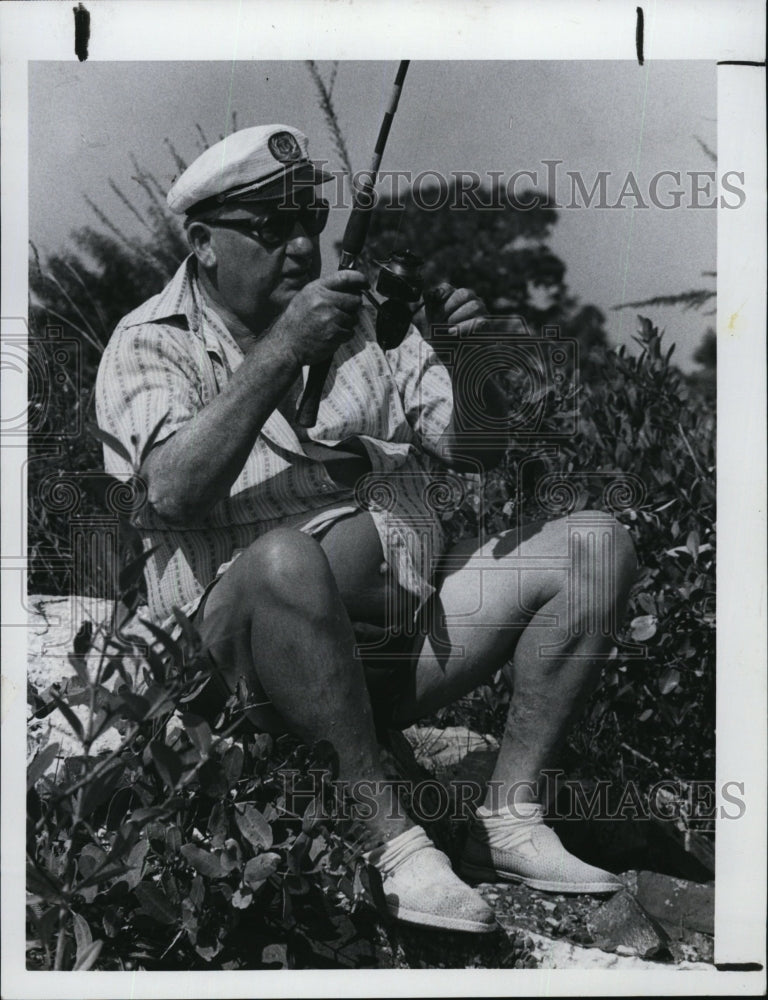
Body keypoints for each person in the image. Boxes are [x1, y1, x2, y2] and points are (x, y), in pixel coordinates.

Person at [96, 124, 637, 935]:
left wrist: (472, 359)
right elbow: (171, 490)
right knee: (285, 560)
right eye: (271, 228)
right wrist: (282, 350)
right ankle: (390, 840)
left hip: (393, 648)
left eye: (310, 220)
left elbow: (475, 450)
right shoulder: (148, 343)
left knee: (596, 544)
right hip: (240, 677)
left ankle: (512, 819)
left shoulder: (360, 322)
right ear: (203, 244)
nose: (300, 246)